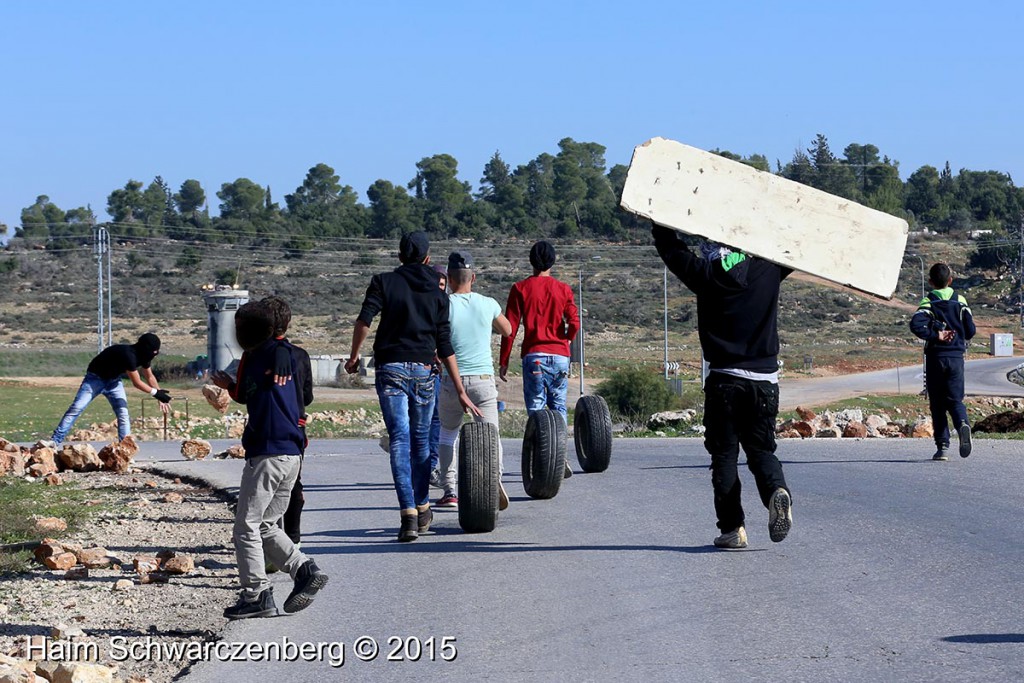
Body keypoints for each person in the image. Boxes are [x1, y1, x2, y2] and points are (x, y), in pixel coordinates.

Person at [652, 225, 793, 550]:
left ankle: (732, 530)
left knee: (725, 455)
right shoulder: (768, 268)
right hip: (765, 381)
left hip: (725, 380)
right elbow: (793, 243)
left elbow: (673, 253)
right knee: (761, 451)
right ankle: (776, 492)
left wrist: (659, 220)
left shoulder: (707, 273)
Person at [346, 232, 480, 542]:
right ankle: (422, 507)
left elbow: (364, 320)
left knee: (399, 440)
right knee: (421, 443)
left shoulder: (383, 281)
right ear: (428, 259)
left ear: (399, 257)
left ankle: (408, 512)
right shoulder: (437, 292)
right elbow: (444, 344)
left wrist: (354, 356)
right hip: (424, 371)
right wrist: (459, 389)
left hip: (390, 368)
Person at [213, 300, 328, 619]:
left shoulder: (278, 354)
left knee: (246, 525)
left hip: (267, 452)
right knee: (264, 523)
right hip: (291, 454)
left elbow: (281, 353)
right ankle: (305, 569)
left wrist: (276, 354)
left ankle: (257, 595)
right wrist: (228, 386)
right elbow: (248, 393)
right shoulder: (261, 357)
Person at [435, 251, 513, 510]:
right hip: (482, 379)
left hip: (451, 380)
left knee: (447, 435)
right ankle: (495, 479)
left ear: (448, 277)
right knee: (491, 434)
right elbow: (508, 329)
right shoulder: (487, 303)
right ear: (474, 277)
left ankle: (449, 490)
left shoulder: (443, 305)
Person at [498, 240, 579, 478]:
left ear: (531, 261)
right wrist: (566, 339)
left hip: (534, 356)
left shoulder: (520, 288)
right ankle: (559, 456)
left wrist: (504, 360)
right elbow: (574, 322)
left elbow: (509, 329)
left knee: (535, 407)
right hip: (560, 355)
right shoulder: (563, 289)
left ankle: (542, 458)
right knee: (559, 406)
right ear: (553, 261)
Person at [260, 296, 313, 555]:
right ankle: (294, 540)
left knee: (266, 489)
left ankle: (272, 546)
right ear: (288, 323)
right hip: (297, 429)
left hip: (265, 431)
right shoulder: (301, 355)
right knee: (294, 486)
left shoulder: (256, 355)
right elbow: (308, 397)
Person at [51, 333, 171, 447]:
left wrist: (159, 394)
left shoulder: (145, 356)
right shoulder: (128, 355)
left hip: (113, 381)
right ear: (144, 349)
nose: (153, 356)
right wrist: (155, 393)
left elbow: (149, 376)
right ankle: (55, 441)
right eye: (153, 353)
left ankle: (125, 448)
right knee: (77, 408)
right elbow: (137, 383)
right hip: (94, 379)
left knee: (123, 414)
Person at [910, 263, 976, 460]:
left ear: (930, 282)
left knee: (937, 403)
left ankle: (942, 447)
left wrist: (935, 335)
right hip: (956, 357)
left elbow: (915, 325)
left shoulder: (928, 301)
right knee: (955, 399)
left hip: (936, 358)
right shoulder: (961, 301)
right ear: (951, 280)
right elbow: (971, 331)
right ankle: (962, 423)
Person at [428, 264, 448, 489]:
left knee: (436, 419)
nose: (439, 288)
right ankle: (427, 465)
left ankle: (430, 465)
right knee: (431, 419)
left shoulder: (446, 306)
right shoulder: (425, 305)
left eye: (442, 285)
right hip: (427, 367)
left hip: (440, 370)